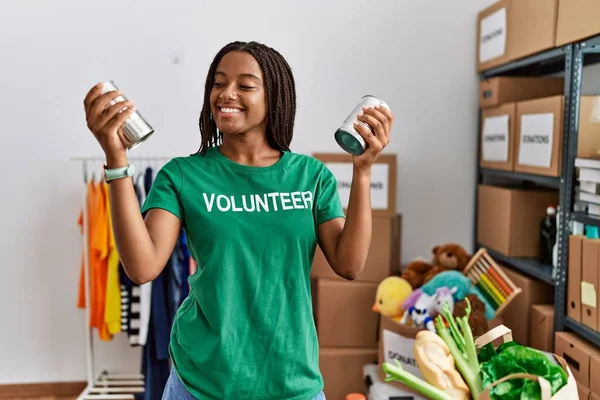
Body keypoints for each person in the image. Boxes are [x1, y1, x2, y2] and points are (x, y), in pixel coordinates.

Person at [83, 40, 393, 400]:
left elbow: (350, 264)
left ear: (274, 96)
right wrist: (116, 158)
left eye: (245, 85)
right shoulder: (183, 176)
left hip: (292, 382)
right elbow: (142, 267)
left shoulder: (310, 176)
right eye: (218, 83)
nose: (226, 94)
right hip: (201, 382)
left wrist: (364, 171)